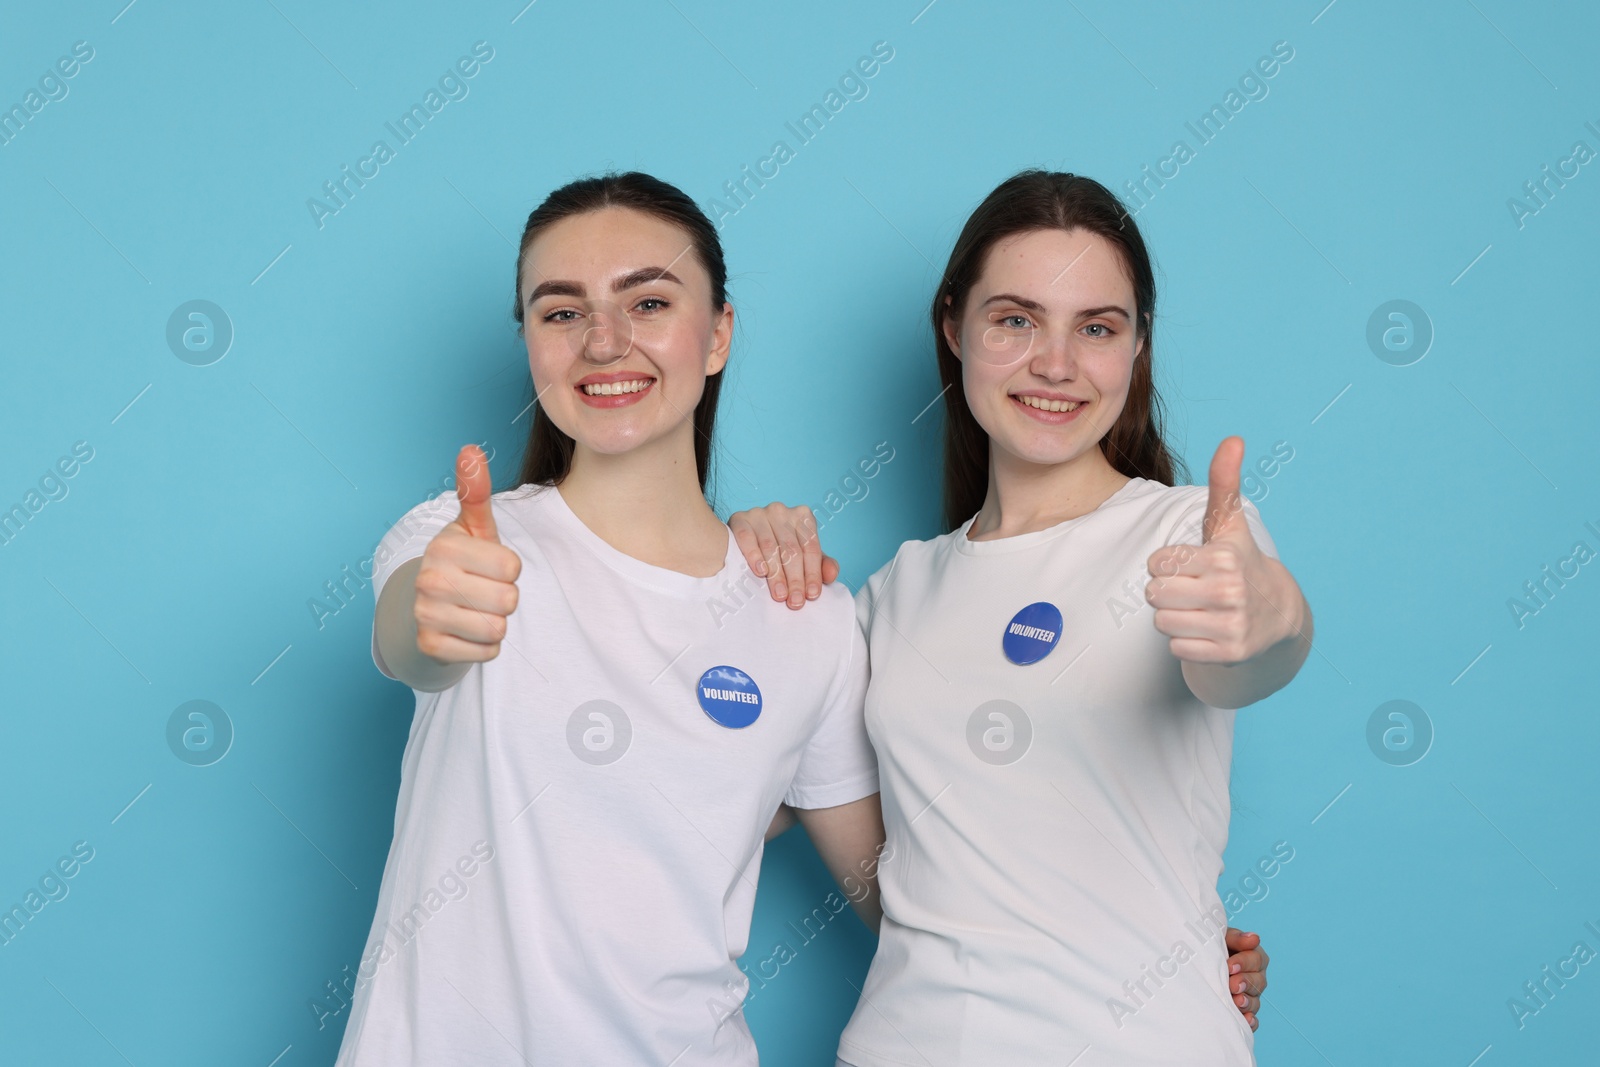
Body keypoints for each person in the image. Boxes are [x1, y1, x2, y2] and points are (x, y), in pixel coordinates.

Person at [729, 169, 1307, 1065]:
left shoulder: (1191, 537)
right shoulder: (889, 598)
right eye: (1015, 320)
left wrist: (1267, 616)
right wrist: (726, 583)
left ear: (1137, 347)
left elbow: (1253, 650)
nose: (1056, 364)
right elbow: (719, 791)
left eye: (1098, 328)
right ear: (952, 327)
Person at [336, 171, 886, 1066]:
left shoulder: (808, 617)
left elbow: (896, 901)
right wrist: (435, 616)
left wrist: (1147, 952)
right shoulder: (457, 540)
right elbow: (415, 638)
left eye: (650, 302)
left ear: (718, 336)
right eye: (561, 312)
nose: (605, 341)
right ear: (531, 344)